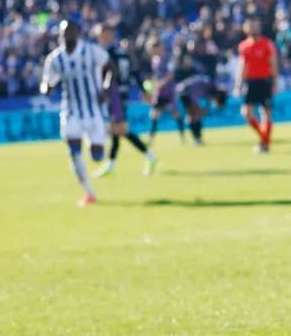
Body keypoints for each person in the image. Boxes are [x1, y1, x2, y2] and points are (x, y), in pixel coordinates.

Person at [40, 19, 111, 206]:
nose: (66, 36)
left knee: (97, 155)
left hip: (93, 110)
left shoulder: (90, 51)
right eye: (63, 33)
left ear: (77, 33)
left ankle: (94, 144)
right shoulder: (55, 59)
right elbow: (47, 82)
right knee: (73, 150)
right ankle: (89, 192)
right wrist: (46, 88)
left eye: (70, 32)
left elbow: (110, 67)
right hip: (71, 111)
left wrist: (105, 87)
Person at [93, 24, 158, 177]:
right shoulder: (123, 52)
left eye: (100, 34)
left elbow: (108, 74)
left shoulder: (107, 53)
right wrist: (144, 90)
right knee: (115, 130)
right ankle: (111, 164)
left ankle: (150, 155)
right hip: (122, 93)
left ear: (108, 34)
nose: (98, 37)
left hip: (114, 94)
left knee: (121, 130)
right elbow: (135, 73)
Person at [236, 19, 279, 153]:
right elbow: (242, 66)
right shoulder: (244, 46)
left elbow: (273, 64)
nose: (254, 29)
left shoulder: (267, 44)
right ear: (246, 29)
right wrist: (238, 85)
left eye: (256, 26)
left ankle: (264, 144)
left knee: (266, 113)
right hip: (250, 82)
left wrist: (274, 83)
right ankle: (264, 139)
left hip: (264, 81)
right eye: (251, 27)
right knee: (246, 113)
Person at [145, 42, 186, 144]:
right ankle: (151, 137)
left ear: (159, 47)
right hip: (159, 92)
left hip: (169, 91)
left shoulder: (167, 58)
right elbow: (155, 75)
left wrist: (161, 83)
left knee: (175, 113)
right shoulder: (154, 60)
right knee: (154, 114)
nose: (152, 51)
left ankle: (182, 137)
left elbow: (171, 74)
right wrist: (154, 85)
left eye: (153, 48)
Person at [176, 74, 229, 143]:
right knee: (194, 115)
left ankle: (197, 138)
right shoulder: (208, 85)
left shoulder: (209, 85)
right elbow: (194, 90)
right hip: (185, 92)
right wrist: (198, 108)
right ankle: (197, 138)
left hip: (185, 91)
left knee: (194, 116)